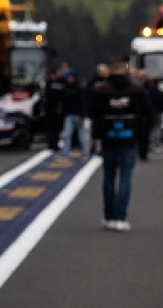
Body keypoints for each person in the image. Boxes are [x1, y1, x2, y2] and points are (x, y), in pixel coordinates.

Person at [89, 57, 151, 232]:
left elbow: (92, 112)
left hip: (108, 137)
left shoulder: (101, 90)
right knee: (125, 177)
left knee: (108, 176)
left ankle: (109, 216)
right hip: (129, 137)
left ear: (109, 71)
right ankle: (120, 217)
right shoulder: (135, 90)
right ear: (125, 70)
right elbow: (147, 112)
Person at [59, 68, 89, 159]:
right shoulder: (65, 88)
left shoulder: (80, 88)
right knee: (67, 134)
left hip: (78, 114)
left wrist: (83, 115)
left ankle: (85, 152)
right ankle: (65, 152)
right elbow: (64, 102)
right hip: (69, 114)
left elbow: (83, 102)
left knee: (82, 135)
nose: (68, 79)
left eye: (69, 77)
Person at [44, 66, 65, 152]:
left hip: (58, 108)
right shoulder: (49, 83)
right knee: (51, 128)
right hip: (50, 108)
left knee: (57, 128)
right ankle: (51, 144)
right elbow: (48, 96)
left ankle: (55, 143)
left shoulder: (61, 82)